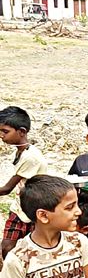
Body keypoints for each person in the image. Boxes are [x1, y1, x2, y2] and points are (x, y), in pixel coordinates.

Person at [0, 106, 47, 255]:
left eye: (5, 131)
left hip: (31, 211)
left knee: (29, 251)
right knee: (7, 247)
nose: (1, 136)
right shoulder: (20, 152)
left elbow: (7, 189)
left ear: (21, 131)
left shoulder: (31, 157)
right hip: (19, 207)